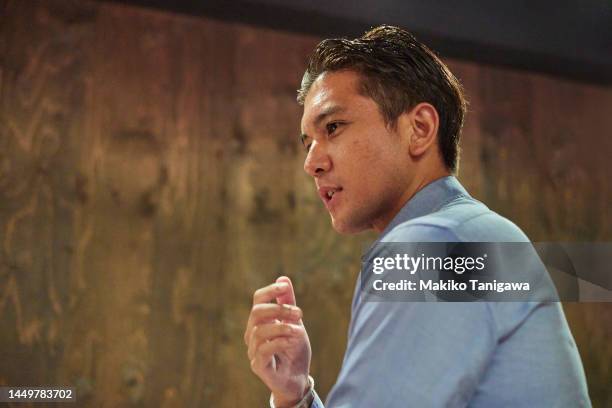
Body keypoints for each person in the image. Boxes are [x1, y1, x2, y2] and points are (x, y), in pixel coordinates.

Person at [244, 25, 591, 407]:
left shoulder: (434, 243)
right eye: (307, 143)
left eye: (333, 127)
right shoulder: (473, 234)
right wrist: (295, 395)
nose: (311, 163)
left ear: (420, 129)